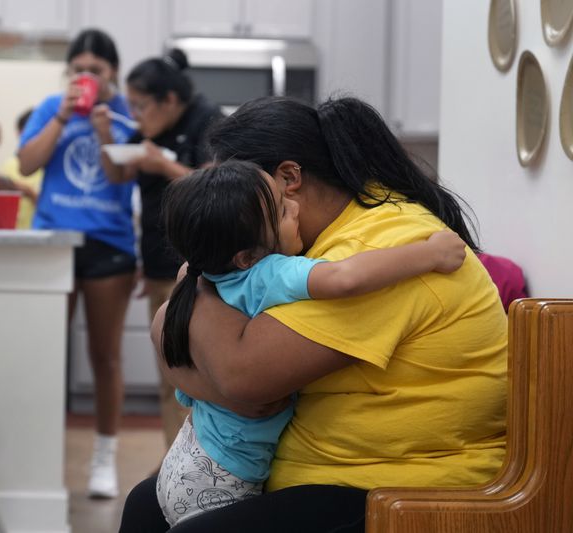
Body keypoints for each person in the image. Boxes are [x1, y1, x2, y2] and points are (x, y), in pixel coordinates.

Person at [119, 96, 507, 532]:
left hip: (400, 486)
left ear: (288, 179)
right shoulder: (300, 245)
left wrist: (202, 273)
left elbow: (243, 377)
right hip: (322, 470)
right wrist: (204, 295)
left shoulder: (382, 250)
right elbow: (169, 336)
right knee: (143, 505)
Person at [156, 160, 467, 526]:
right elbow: (344, 278)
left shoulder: (201, 278)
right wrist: (430, 254)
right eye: (283, 211)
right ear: (247, 256)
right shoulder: (267, 272)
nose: (296, 207)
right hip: (224, 478)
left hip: (186, 458)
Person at [17, 28, 136, 499]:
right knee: (46, 354)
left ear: (113, 74)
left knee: (104, 357)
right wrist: (64, 116)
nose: (86, 77)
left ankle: (103, 458)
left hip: (109, 243)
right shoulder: (52, 107)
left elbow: (121, 175)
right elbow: (26, 163)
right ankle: (38, 453)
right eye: (78, 70)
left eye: (96, 70)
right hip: (54, 239)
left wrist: (106, 130)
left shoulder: (128, 112)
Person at [102, 48, 224, 452]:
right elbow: (119, 173)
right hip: (158, 263)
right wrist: (104, 133)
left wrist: (164, 167)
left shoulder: (206, 120)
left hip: (200, 271)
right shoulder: (149, 132)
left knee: (194, 374)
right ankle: (174, 457)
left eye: (140, 105)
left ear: (169, 100)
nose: (135, 114)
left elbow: (221, 190)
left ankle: (200, 458)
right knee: (168, 374)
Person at [0, 109, 43, 229]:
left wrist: (28, 192)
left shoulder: (50, 166)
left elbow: (52, 209)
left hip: (40, 235)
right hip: (14, 234)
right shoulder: (9, 164)